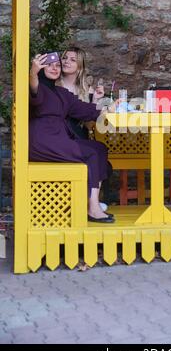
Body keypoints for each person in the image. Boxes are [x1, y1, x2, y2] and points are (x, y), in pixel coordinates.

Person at [29, 53, 114, 223]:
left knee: (99, 148)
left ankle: (91, 204)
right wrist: (32, 72)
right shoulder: (39, 88)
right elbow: (34, 88)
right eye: (49, 65)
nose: (55, 68)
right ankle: (94, 209)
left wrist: (108, 109)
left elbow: (84, 109)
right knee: (90, 154)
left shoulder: (61, 93)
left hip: (58, 139)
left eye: (58, 65)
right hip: (42, 141)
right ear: (40, 69)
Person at [58, 48, 113, 208]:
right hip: (62, 139)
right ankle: (90, 205)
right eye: (65, 58)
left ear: (80, 67)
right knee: (97, 152)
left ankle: (90, 203)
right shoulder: (55, 86)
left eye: (73, 59)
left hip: (79, 138)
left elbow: (89, 124)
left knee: (101, 157)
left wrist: (95, 99)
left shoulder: (85, 91)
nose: (66, 61)